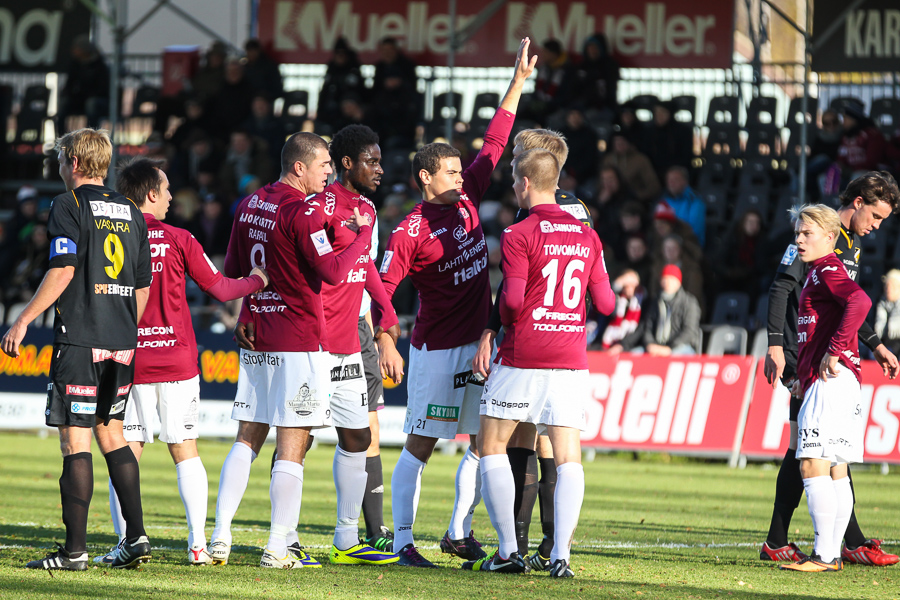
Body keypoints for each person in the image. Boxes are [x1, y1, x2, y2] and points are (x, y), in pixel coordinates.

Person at [376, 38, 536, 568]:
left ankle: (457, 530)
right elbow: (381, 285)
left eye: (459, 171)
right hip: (437, 350)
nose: (460, 176)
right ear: (426, 177)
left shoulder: (467, 198)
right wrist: (385, 337)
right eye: (449, 171)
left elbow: (494, 143)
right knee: (420, 447)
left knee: (480, 441)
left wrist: (516, 84)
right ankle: (401, 543)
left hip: (478, 345)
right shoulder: (410, 229)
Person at [89, 158, 269, 566]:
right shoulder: (178, 238)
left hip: (127, 360)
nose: (172, 197)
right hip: (176, 361)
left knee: (125, 452)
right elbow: (222, 289)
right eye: (167, 189)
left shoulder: (107, 240)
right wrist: (258, 279)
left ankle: (129, 541)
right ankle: (198, 545)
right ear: (151, 194)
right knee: (185, 450)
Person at [209, 132, 375, 569]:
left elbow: (237, 271)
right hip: (298, 337)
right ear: (298, 167)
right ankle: (277, 547)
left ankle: (220, 536)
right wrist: (361, 236)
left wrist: (248, 310)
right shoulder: (300, 212)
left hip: (258, 333)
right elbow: (335, 272)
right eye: (323, 165)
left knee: (247, 437)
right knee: (291, 444)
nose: (330, 173)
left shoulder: (248, 205)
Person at [242, 125, 403, 564]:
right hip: (315, 344)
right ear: (346, 163)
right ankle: (283, 538)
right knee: (299, 439)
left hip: (351, 342)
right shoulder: (317, 208)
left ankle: (346, 538)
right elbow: (330, 270)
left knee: (356, 436)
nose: (380, 169)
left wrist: (386, 314)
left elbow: (363, 266)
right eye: (371, 160)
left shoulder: (365, 207)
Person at [1, 129, 152, 570]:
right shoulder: (131, 211)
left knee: (75, 441)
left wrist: (24, 318)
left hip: (81, 338)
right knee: (113, 434)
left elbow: (63, 269)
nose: (60, 166)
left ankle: (74, 552)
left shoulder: (68, 204)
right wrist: (124, 327)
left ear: (74, 161)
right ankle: (137, 536)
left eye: (62, 159)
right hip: (123, 340)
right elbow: (142, 285)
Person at [464, 148, 614, 576]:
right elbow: (605, 302)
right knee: (569, 457)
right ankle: (561, 557)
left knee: (490, 446)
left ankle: (509, 551)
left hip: (523, 355)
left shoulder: (518, 233)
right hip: (570, 358)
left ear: (525, 184)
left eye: (514, 181)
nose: (513, 187)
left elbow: (510, 300)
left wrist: (511, 321)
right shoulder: (589, 235)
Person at [762, 171, 900, 566]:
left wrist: (874, 345)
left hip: (829, 357)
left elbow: (852, 304)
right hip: (802, 352)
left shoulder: (847, 245)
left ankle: (827, 543)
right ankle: (835, 542)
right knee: (812, 449)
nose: (876, 227)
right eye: (875, 216)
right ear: (857, 203)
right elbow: (779, 288)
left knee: (816, 450)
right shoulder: (816, 237)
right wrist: (775, 346)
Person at [778, 205, 872, 572]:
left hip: (831, 381)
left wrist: (835, 351)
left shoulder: (827, 270)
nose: (799, 240)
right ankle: (830, 555)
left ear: (830, 237)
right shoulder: (818, 271)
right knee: (835, 468)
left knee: (812, 464)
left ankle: (823, 555)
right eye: (797, 233)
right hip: (840, 380)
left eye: (807, 234)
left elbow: (860, 301)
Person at [637, 265, 701, 356]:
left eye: (671, 279)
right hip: (656, 346)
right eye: (665, 279)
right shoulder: (656, 301)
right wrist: (650, 344)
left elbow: (689, 330)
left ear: (678, 282)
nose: (667, 283)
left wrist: (670, 348)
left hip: (680, 346)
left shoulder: (689, 302)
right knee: (634, 354)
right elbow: (648, 327)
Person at [601, 269, 647, 353]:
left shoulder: (643, 302)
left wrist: (622, 345)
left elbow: (642, 328)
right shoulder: (618, 300)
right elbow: (605, 307)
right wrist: (617, 284)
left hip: (633, 345)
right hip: (610, 343)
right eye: (626, 285)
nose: (630, 288)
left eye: (633, 285)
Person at [661, 166, 705, 247]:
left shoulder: (694, 202)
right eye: (669, 180)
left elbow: (694, 233)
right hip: (667, 247)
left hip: (688, 248)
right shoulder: (663, 201)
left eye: (675, 179)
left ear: (685, 181)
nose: (671, 183)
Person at [874, 269, 900, 356]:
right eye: (886, 286)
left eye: (893, 286)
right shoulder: (879, 304)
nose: (888, 290)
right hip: (883, 345)